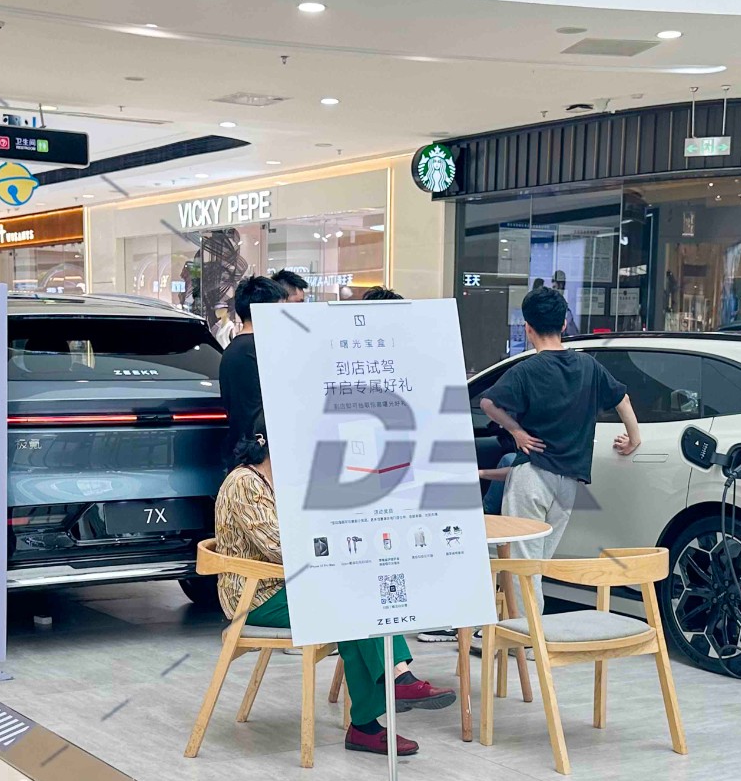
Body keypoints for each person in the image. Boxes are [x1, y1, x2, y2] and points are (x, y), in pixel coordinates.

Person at [214, 431, 454, 755]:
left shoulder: (278, 482)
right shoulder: (245, 482)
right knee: (352, 603)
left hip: (287, 585)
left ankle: (382, 703)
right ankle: (388, 695)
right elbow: (280, 547)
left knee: (358, 605)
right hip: (256, 595)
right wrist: (336, 550)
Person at [479, 285, 641, 560]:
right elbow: (622, 399)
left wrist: (517, 432)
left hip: (531, 478)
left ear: (528, 328)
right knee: (540, 562)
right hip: (568, 483)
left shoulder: (525, 370)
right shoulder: (589, 366)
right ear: (564, 324)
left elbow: (488, 404)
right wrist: (633, 440)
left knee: (522, 566)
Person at [218, 275, 284, 455]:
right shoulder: (255, 349)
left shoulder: (236, 348)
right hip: (257, 455)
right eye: (280, 309)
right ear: (265, 310)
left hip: (243, 450)